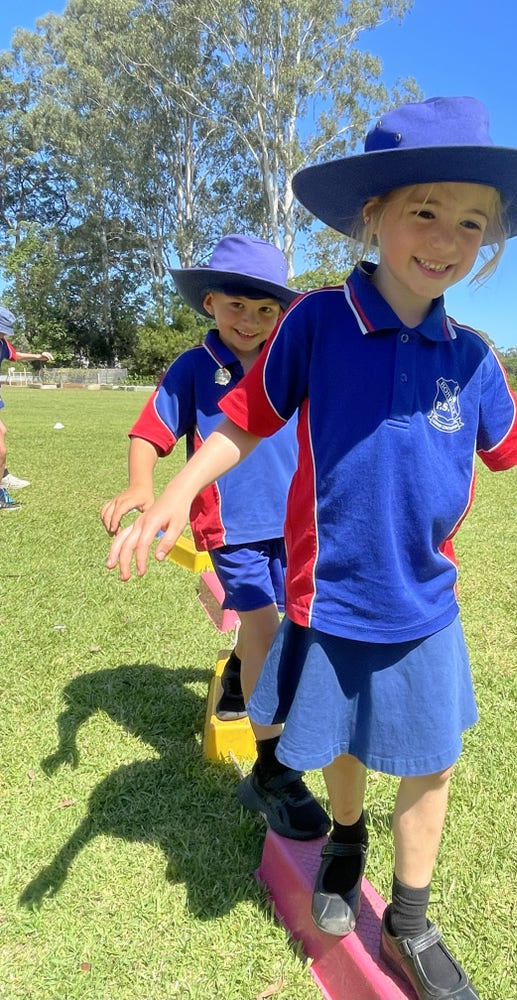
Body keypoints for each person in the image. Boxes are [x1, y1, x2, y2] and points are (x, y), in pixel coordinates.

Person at [105, 98, 517, 1000]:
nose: (447, 238)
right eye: (425, 210)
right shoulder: (318, 323)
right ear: (372, 215)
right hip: (328, 595)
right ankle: (345, 838)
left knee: (431, 757)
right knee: (338, 742)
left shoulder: (472, 355)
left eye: (472, 222)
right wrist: (173, 488)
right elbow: (246, 418)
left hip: (424, 600)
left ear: (488, 244)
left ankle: (409, 917)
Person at [100, 235, 329, 841]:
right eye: (235, 306)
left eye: (264, 311)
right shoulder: (193, 368)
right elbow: (150, 430)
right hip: (232, 531)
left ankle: (238, 673)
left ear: (281, 313)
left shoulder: (296, 362)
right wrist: (140, 485)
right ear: (209, 303)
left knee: (297, 630)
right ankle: (274, 772)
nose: (249, 321)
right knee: (263, 627)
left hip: (299, 523)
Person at [0, 306, 54, 510]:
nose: (3, 333)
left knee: (2, 434)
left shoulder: (2, 343)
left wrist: (38, 357)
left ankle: (3, 477)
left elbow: (16, 355)